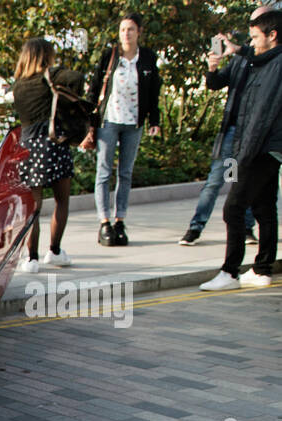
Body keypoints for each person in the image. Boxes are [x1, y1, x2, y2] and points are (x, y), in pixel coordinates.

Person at [201, 8, 282, 290]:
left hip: (256, 149)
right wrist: (219, 63)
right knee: (263, 206)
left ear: (272, 35)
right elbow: (217, 83)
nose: (252, 42)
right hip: (241, 144)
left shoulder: (275, 64)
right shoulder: (252, 61)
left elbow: (262, 114)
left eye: (255, 36)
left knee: (233, 207)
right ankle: (261, 270)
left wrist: (243, 155)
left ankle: (230, 271)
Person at [181, 6, 275, 246]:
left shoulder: (267, 59)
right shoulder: (243, 58)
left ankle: (244, 228)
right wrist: (212, 68)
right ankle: (196, 227)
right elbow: (216, 83)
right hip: (234, 132)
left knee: (239, 183)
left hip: (253, 136)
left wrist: (238, 49)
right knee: (217, 180)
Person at [80, 13, 161, 247]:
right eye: (123, 29)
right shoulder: (110, 56)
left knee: (125, 174)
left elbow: (154, 92)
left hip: (134, 123)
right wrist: (89, 123)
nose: (126, 33)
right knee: (104, 172)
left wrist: (154, 120)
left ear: (139, 32)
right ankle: (104, 222)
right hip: (109, 121)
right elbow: (94, 90)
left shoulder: (147, 58)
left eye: (131, 29)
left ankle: (120, 220)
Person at [11, 38, 82, 272]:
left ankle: (31, 258)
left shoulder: (18, 85)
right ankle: (54, 251)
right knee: (62, 200)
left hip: (28, 148)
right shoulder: (48, 77)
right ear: (46, 56)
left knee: (34, 207)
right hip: (53, 144)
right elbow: (77, 79)